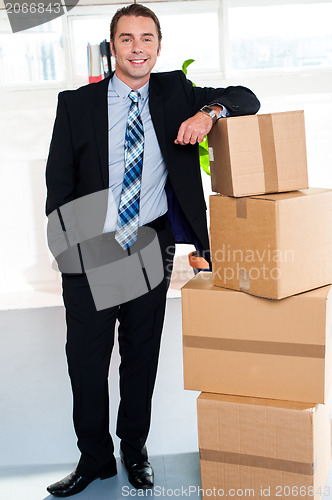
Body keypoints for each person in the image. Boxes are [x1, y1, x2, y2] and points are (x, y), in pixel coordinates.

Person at [45, 3, 260, 497]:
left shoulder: (175, 92)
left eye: (146, 39)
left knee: (140, 355)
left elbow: (247, 98)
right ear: (113, 46)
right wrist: (70, 252)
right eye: (127, 38)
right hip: (92, 246)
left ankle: (134, 450)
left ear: (158, 47)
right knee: (87, 358)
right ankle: (93, 459)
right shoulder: (76, 105)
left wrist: (209, 114)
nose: (137, 47)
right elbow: (57, 184)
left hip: (147, 242)